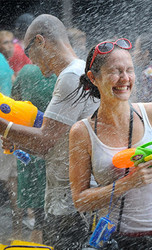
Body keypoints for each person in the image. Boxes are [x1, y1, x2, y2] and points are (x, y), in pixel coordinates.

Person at [69, 38, 152, 249]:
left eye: (129, 70)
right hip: (121, 238)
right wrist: (127, 183)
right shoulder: (82, 132)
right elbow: (80, 201)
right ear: (93, 78)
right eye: (115, 71)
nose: (125, 78)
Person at [0, 14, 99, 249]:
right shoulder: (77, 71)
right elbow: (56, 142)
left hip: (72, 201)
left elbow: (45, 142)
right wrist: (18, 139)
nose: (30, 60)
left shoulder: (70, 77)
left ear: (41, 41)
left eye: (29, 51)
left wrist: (5, 129)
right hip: (75, 196)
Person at [11, 64, 56, 243]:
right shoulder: (65, 73)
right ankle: (44, 232)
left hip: (28, 141)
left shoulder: (27, 72)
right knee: (51, 200)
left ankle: (36, 231)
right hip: (55, 145)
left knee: (36, 199)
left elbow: (14, 102)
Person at [0, 52, 21, 239]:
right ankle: (18, 223)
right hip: (7, 121)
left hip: (4, 124)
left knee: (11, 178)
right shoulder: (2, 60)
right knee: (11, 178)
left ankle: (18, 224)